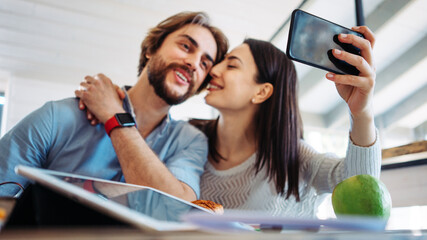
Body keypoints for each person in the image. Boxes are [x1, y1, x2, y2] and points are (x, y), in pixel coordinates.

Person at [77, 26, 380, 217]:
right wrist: (115, 104)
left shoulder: (294, 158)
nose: (214, 71)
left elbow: (362, 185)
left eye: (230, 65)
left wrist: (361, 112)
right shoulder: (187, 138)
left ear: (262, 91)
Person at [0, 11, 229, 201]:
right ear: (151, 49)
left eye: (205, 63)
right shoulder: (58, 117)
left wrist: (115, 116)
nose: (193, 63)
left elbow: (174, 207)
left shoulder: (190, 141)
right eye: (186, 46)